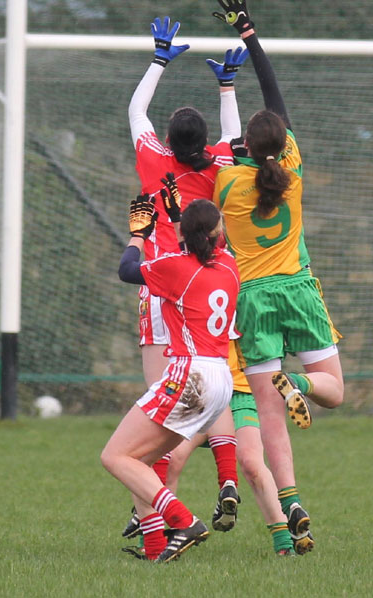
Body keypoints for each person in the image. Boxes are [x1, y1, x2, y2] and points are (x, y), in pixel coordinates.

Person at [212, 0, 344, 555]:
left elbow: (232, 141)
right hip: (298, 289)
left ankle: (290, 500)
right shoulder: (290, 172)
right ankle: (304, 385)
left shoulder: (229, 186)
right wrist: (251, 34)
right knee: (335, 392)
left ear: (244, 148)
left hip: (255, 300)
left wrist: (225, 86)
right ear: (282, 144)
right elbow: (274, 98)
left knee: (268, 413)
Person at [123, 16, 248, 539]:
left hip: (163, 284)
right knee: (210, 384)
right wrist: (227, 87)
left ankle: (154, 521)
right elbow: (235, 138)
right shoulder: (217, 165)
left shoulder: (154, 159)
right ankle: (222, 477)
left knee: (160, 406)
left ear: (168, 139)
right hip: (213, 284)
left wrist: (159, 60)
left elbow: (135, 111)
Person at [101, 191, 240, 562]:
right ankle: (156, 547)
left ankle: (183, 521)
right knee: (141, 461)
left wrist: (140, 234)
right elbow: (193, 254)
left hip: (188, 375)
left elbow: (127, 270)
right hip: (219, 381)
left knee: (114, 456)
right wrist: (180, 217)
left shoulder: (175, 268)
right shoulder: (229, 264)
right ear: (215, 235)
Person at [166, 338, 295, 556]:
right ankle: (151, 538)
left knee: (251, 462)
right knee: (170, 459)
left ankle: (285, 543)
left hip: (242, 393)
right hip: (203, 387)